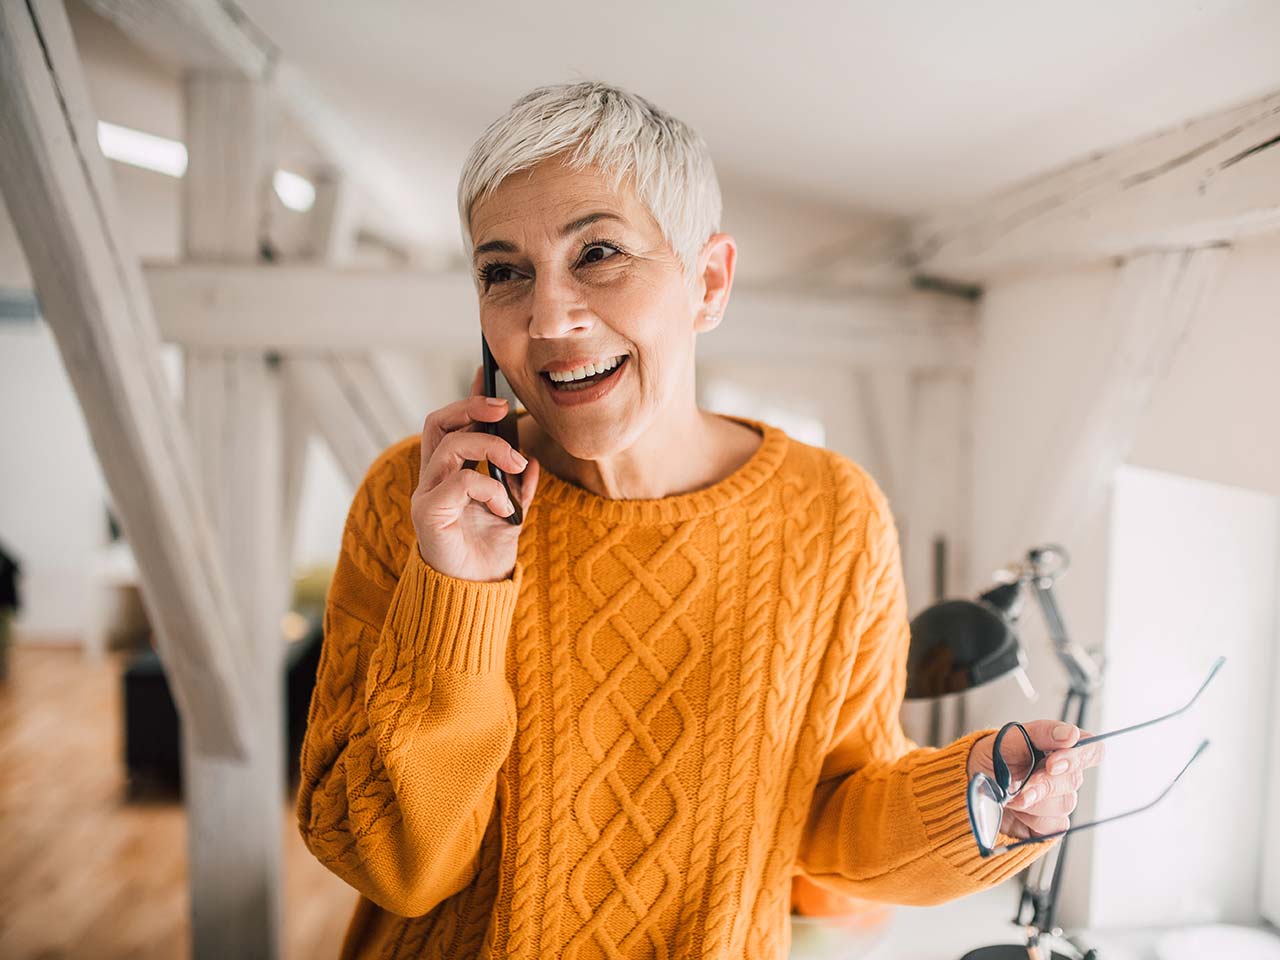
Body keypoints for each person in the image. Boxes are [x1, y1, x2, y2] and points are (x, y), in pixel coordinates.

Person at [295, 80, 1103, 960]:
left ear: (708, 282)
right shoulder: (412, 500)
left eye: (598, 252)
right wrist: (457, 589)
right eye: (504, 272)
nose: (549, 318)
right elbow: (391, 866)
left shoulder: (834, 515)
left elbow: (829, 814)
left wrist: (979, 800)